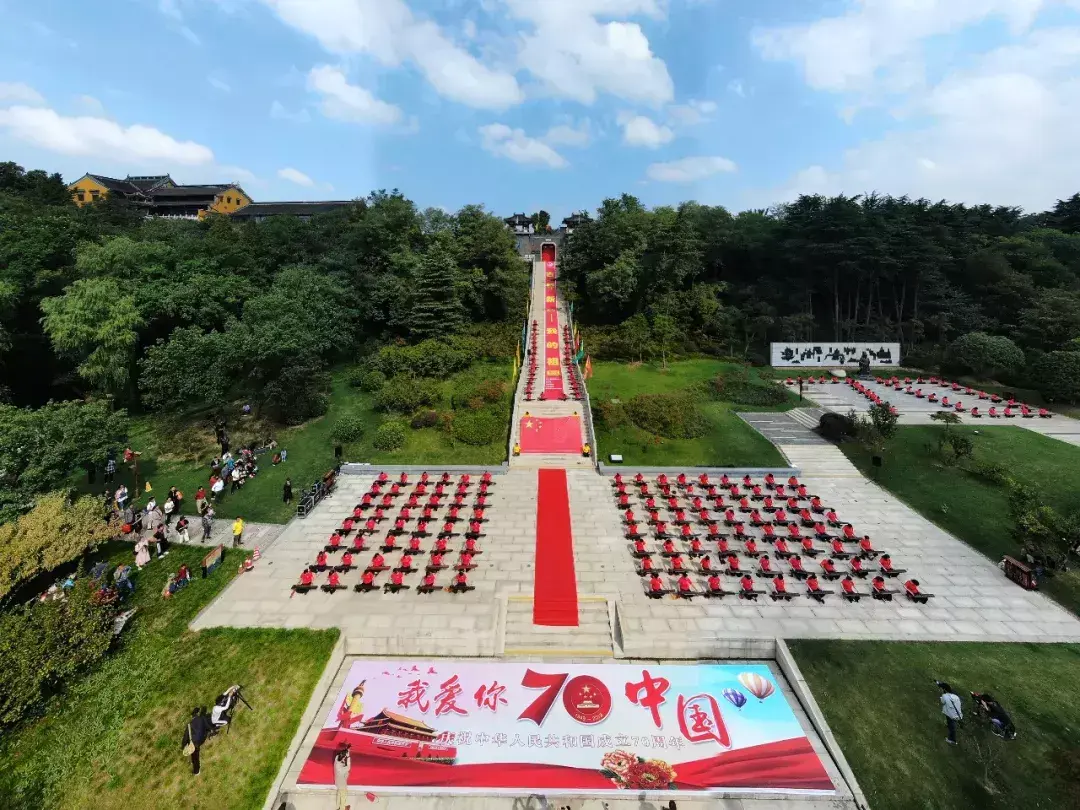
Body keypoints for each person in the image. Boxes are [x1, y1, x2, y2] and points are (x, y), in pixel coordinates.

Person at [182, 707, 213, 775]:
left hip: (194, 743)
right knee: (195, 754)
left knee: (195, 757)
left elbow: (185, 737)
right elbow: (208, 728)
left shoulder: (189, 725)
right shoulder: (202, 719)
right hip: (200, 740)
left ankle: (196, 771)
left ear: (193, 716)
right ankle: (196, 767)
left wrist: (183, 746)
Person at [938, 681, 963, 745]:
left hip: (950, 715)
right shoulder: (955, 696)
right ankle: (950, 727)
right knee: (951, 724)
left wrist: (941, 697)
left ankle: (952, 740)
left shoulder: (944, 696)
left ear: (944, 689)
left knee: (952, 727)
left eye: (941, 689)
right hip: (957, 714)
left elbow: (943, 702)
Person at [334, 743, 351, 810]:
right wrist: (348, 757)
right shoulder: (340, 768)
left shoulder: (336, 760)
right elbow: (348, 766)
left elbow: (339, 755)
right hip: (341, 784)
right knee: (343, 797)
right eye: (344, 758)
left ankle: (338, 807)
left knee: (340, 795)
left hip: (338, 782)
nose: (345, 759)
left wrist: (346, 751)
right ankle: (342, 808)